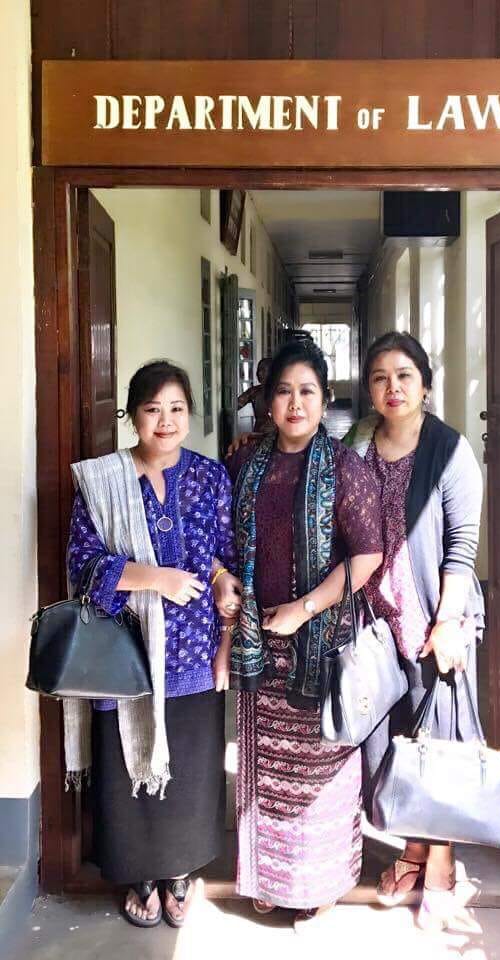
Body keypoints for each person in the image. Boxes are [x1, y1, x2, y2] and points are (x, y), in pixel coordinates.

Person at [66, 360, 242, 929]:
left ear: (189, 413)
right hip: (125, 654)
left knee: (190, 767)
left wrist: (222, 596)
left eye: (176, 408)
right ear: (132, 416)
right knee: (128, 766)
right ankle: (140, 873)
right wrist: (154, 578)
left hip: (193, 651)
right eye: (152, 409)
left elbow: (224, 557)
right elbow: (83, 565)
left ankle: (178, 872)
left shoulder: (210, 476)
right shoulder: (104, 481)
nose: (165, 420)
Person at [226, 339, 383, 931]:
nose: (295, 403)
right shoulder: (244, 464)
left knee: (321, 772)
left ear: (325, 399)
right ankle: (267, 877)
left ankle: (319, 882)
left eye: (307, 392)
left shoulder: (345, 467)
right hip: (258, 642)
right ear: (268, 401)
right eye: (284, 392)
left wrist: (305, 608)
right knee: (265, 771)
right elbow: (221, 539)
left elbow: (367, 556)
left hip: (320, 646)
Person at [344, 331, 485, 932]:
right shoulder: (357, 446)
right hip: (376, 620)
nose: (393, 387)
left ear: (425, 384)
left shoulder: (449, 450)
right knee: (391, 744)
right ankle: (414, 850)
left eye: (404, 375)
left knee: (439, 744)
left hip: (433, 617)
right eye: (380, 377)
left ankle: (440, 870)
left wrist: (449, 620)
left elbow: (461, 547)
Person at [237, 356, 273, 433]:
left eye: (263, 370)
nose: (259, 373)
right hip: (259, 433)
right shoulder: (254, 391)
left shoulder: (282, 391)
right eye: (258, 370)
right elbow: (236, 405)